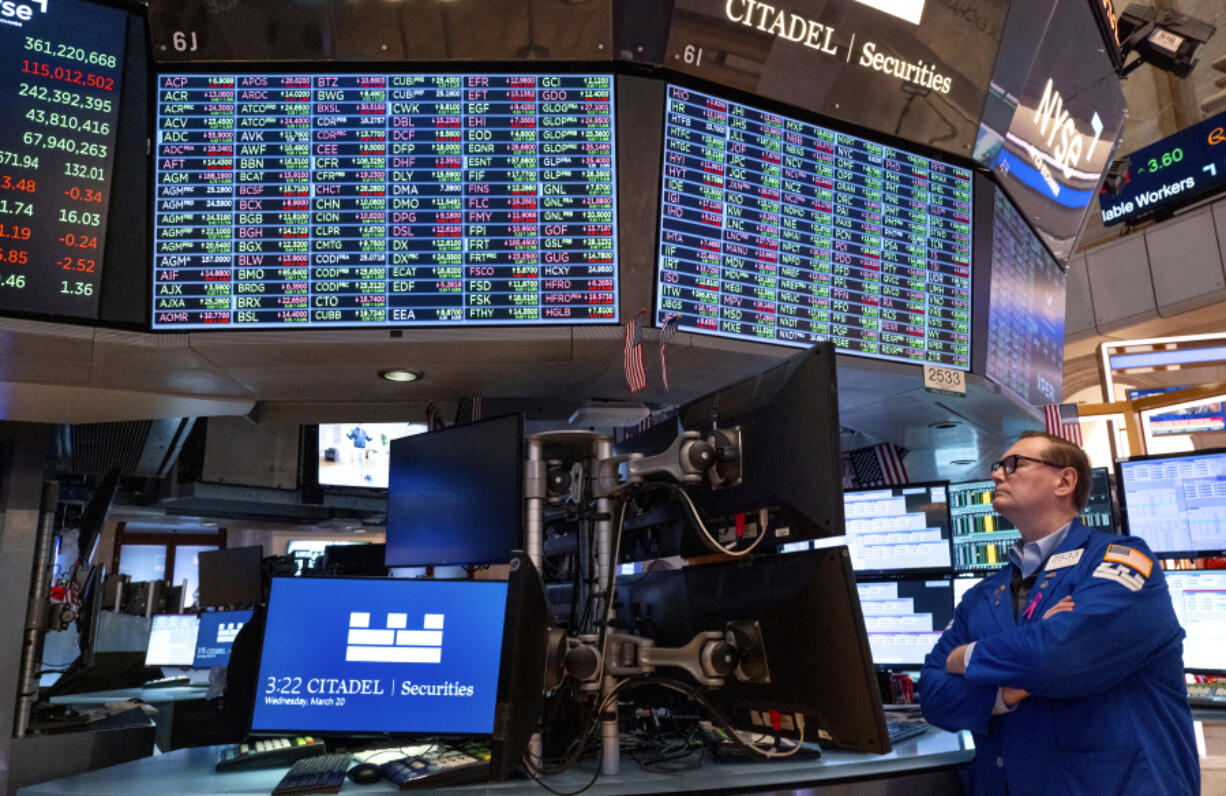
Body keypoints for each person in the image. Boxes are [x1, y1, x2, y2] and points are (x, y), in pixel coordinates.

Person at [920, 431, 1199, 795]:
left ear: (1064, 480)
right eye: (998, 466)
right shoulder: (983, 594)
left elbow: (1062, 655)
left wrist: (965, 658)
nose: (996, 475)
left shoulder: (1123, 560)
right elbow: (933, 694)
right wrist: (1006, 692)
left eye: (1013, 464)